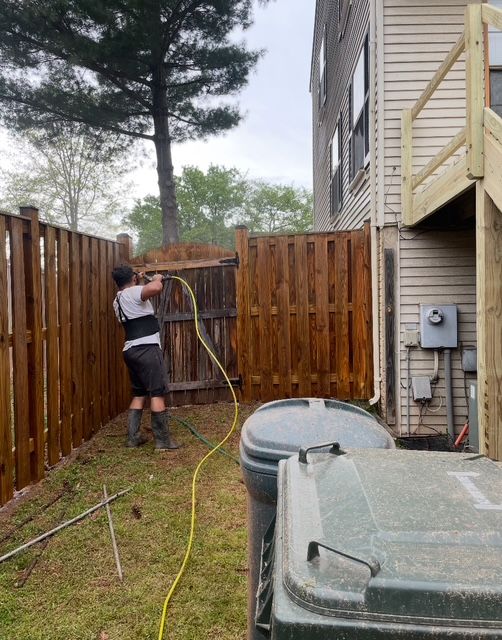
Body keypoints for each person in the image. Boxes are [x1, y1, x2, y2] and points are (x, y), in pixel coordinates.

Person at [111, 264, 179, 450]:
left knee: (139, 393)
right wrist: (157, 278)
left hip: (131, 351)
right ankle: (163, 442)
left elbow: (136, 296)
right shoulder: (133, 293)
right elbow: (155, 288)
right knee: (157, 393)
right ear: (132, 279)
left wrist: (137, 279)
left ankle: (133, 438)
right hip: (146, 349)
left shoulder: (118, 300)